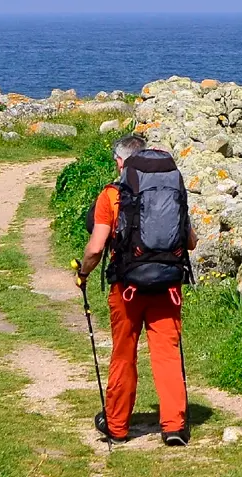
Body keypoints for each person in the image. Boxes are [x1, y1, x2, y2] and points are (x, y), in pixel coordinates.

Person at [77, 134, 198, 447]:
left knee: (123, 354)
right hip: (168, 284)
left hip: (127, 287)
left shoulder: (112, 195)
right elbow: (191, 241)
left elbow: (95, 247)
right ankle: (173, 426)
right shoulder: (170, 190)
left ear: (121, 162)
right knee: (167, 354)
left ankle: (117, 426)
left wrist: (84, 272)